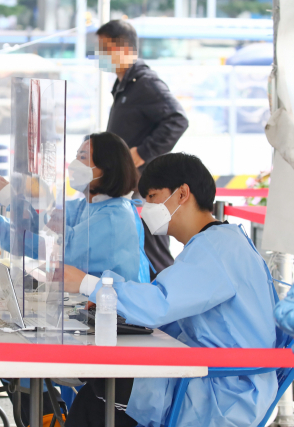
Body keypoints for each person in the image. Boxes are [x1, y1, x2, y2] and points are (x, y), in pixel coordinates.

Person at [55, 153, 286, 427]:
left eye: (152, 197)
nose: (146, 208)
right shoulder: (216, 243)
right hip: (225, 382)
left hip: (224, 394)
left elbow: (160, 304)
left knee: (103, 391)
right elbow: (169, 307)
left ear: (182, 193)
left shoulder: (216, 250)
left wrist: (89, 284)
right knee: (101, 391)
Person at [0, 132, 149, 425]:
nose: (73, 164)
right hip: (83, 320)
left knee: (18, 357)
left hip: (108, 332)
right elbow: (42, 240)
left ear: (104, 168)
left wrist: (13, 202)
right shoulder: (87, 206)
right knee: (14, 351)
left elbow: (60, 245)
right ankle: (49, 426)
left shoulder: (114, 217)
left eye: (82, 158)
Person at [95, 20, 189, 280]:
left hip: (145, 188)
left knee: (151, 248)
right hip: (127, 184)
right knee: (133, 247)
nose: (99, 55)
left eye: (104, 48)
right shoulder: (124, 85)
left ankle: (167, 304)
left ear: (123, 47)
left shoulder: (144, 82)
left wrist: (140, 154)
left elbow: (177, 120)